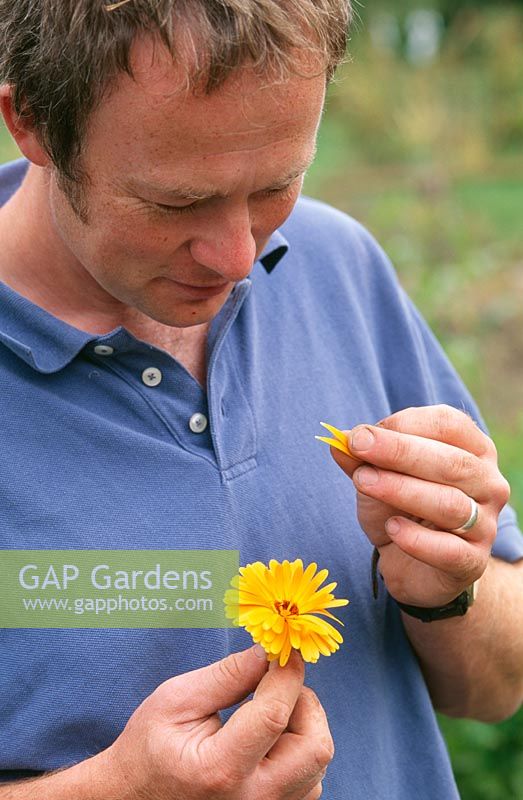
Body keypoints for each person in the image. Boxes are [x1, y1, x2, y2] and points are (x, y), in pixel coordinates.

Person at [0, 1, 522, 798]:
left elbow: (494, 688)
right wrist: (119, 790)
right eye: (174, 203)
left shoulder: (336, 263)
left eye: (278, 185)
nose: (241, 258)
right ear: (29, 122)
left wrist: (451, 590)